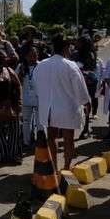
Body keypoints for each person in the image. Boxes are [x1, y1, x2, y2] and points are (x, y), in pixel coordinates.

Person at [33, 34, 90, 171]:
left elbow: (36, 88)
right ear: (65, 48)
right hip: (67, 108)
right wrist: (86, 102)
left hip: (49, 109)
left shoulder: (41, 66)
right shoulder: (71, 66)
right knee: (68, 139)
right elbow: (80, 88)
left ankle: (53, 168)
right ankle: (66, 168)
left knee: (51, 137)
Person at [15, 46, 40, 148]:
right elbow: (17, 82)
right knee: (26, 121)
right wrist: (21, 72)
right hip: (25, 98)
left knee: (39, 122)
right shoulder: (21, 67)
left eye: (35, 55)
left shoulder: (41, 65)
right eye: (30, 56)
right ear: (25, 57)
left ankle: (41, 141)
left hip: (38, 98)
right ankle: (26, 141)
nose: (33, 58)